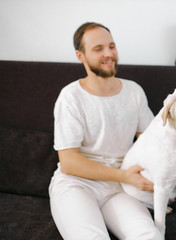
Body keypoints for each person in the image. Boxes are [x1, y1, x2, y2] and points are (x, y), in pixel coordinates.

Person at [48, 22, 162, 239]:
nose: (109, 54)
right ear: (80, 56)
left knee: (150, 236)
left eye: (112, 46)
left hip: (120, 188)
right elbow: (69, 162)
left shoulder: (133, 91)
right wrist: (126, 177)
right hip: (76, 185)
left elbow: (154, 140)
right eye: (98, 49)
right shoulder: (70, 97)